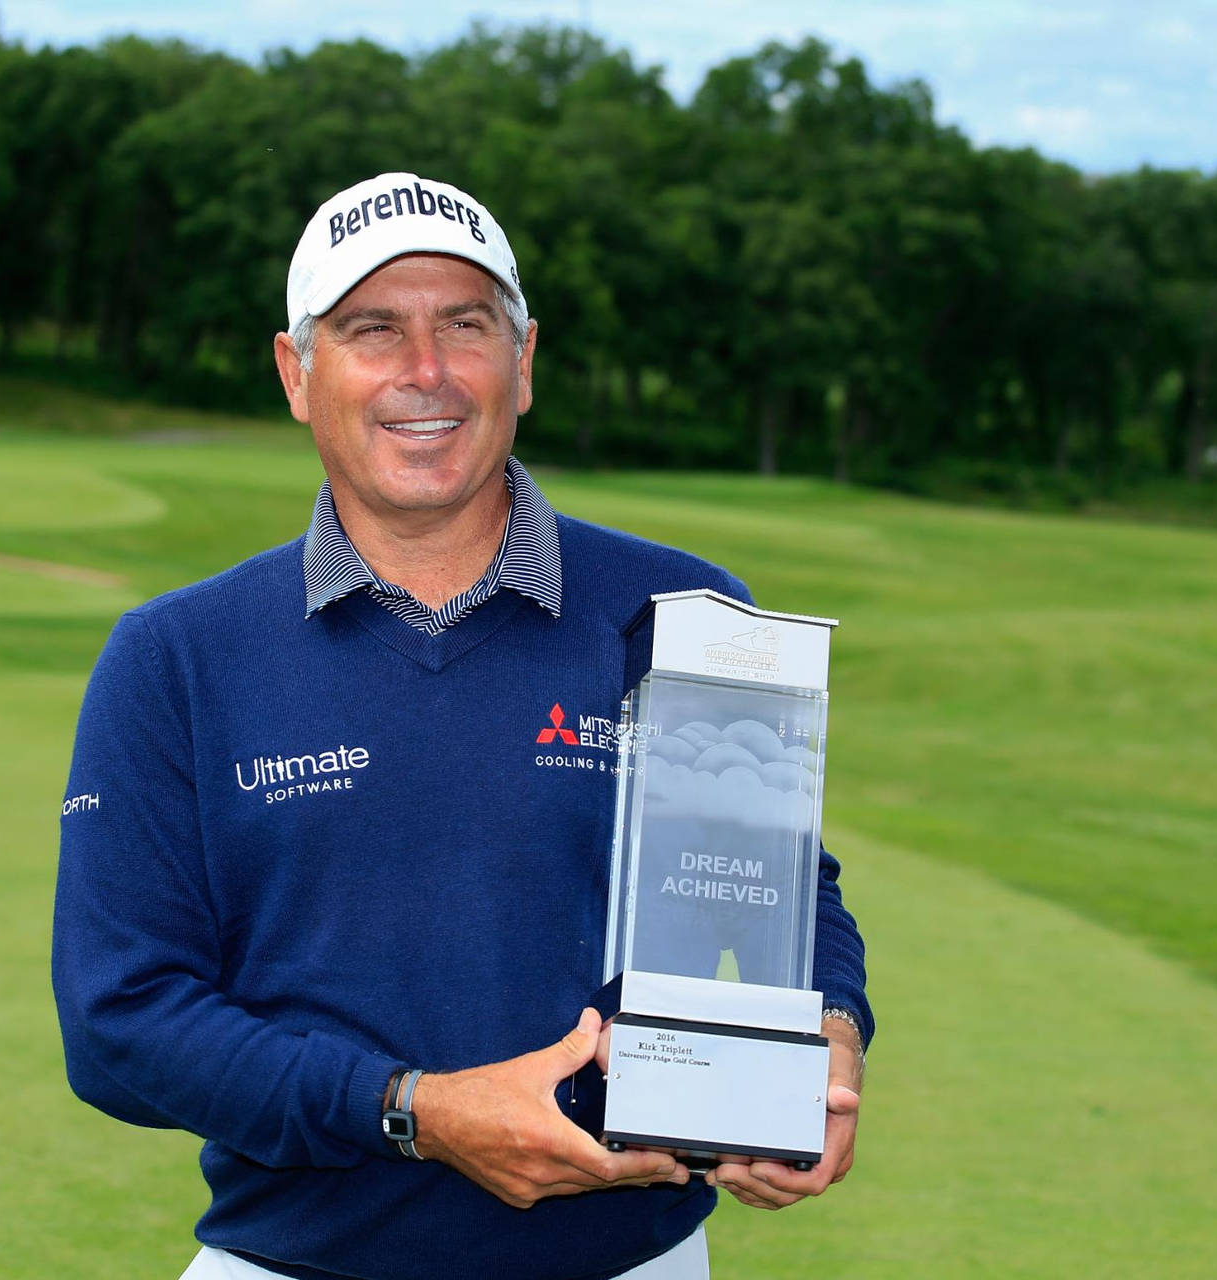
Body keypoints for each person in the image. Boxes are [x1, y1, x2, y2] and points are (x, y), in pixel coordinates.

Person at [52, 171, 874, 1280]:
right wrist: (415, 1109)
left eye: (466, 325)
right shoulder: (176, 655)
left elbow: (786, 888)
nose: (424, 372)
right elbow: (119, 1022)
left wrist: (827, 1028)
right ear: (300, 373)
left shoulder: (686, 614)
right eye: (372, 328)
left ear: (524, 359)